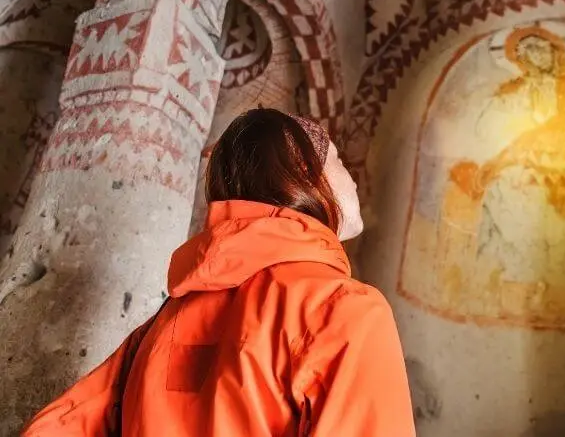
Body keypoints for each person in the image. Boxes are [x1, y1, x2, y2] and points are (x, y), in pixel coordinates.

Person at [22, 108, 416, 436]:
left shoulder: (162, 323)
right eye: (339, 162)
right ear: (306, 173)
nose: (353, 179)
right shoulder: (341, 308)